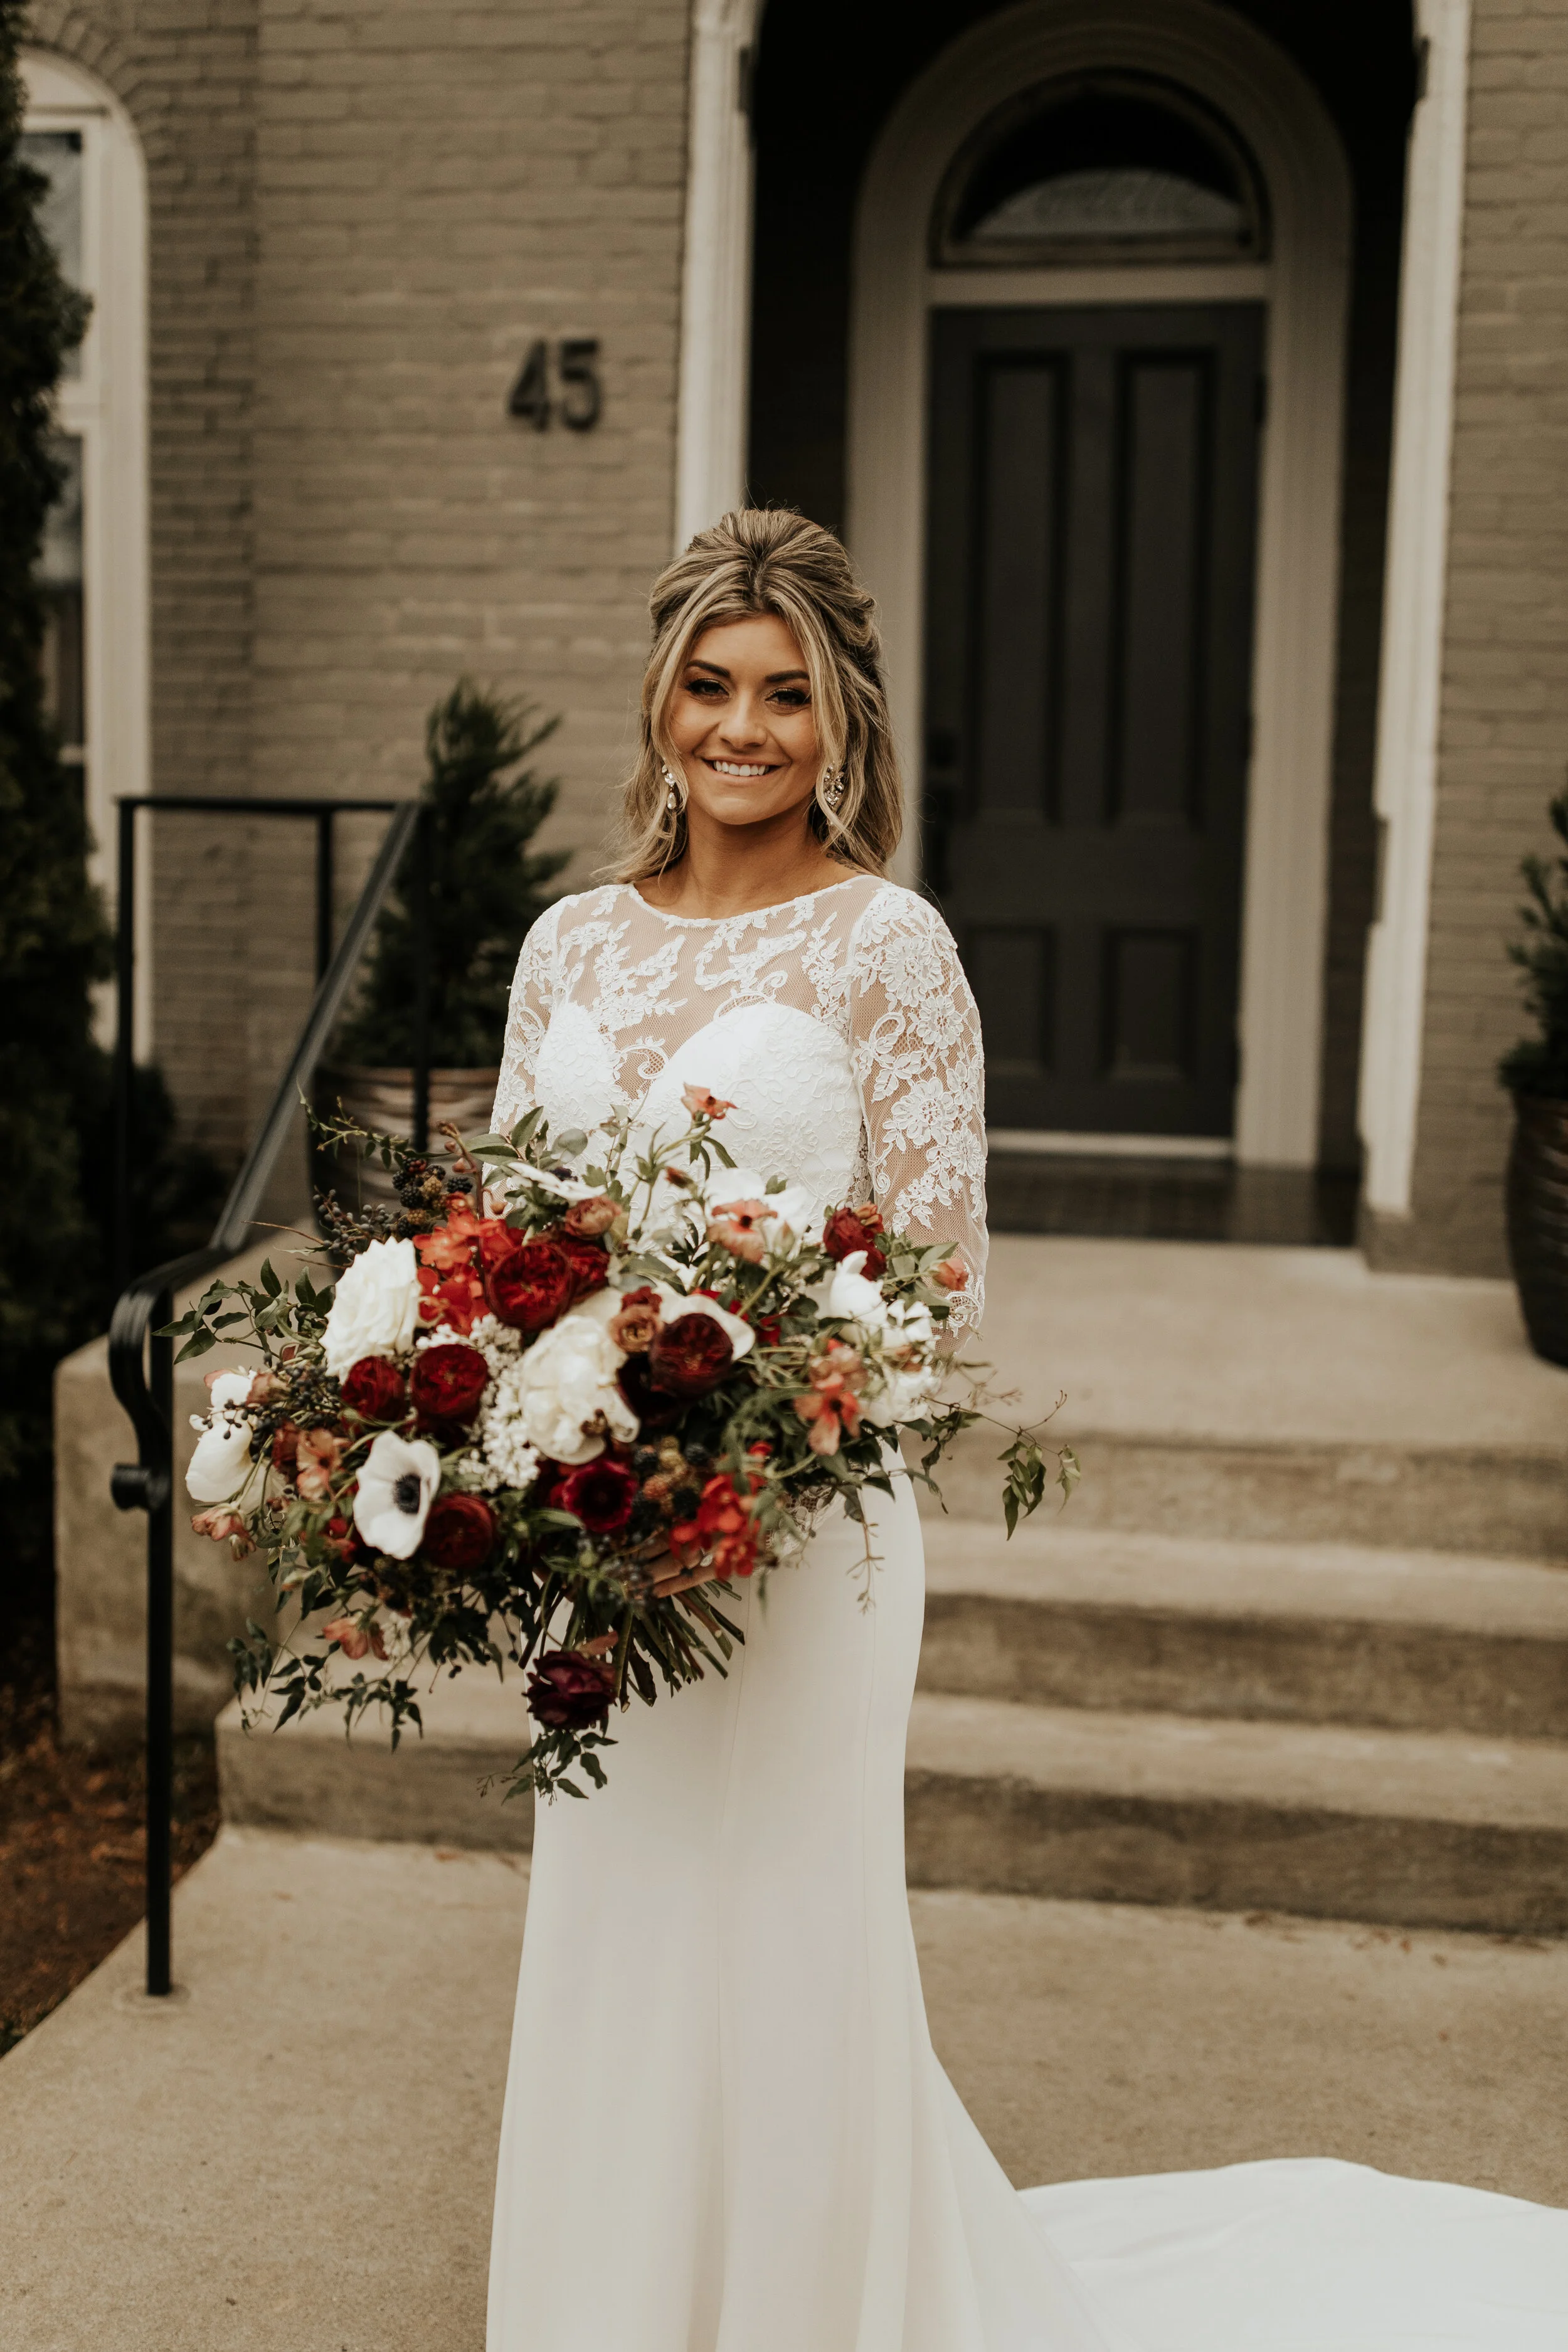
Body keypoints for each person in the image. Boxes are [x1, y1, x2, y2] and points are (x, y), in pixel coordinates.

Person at [485, 509, 1567, 2351]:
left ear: (843, 727)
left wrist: (739, 1437)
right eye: (707, 685)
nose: (741, 729)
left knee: (785, 1938)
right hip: (604, 1537)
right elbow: (513, 1233)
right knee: (615, 1920)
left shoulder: (887, 948)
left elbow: (929, 1289)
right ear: (658, 701)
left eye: (785, 698)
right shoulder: (567, 941)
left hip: (797, 1537)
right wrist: (546, 1444)